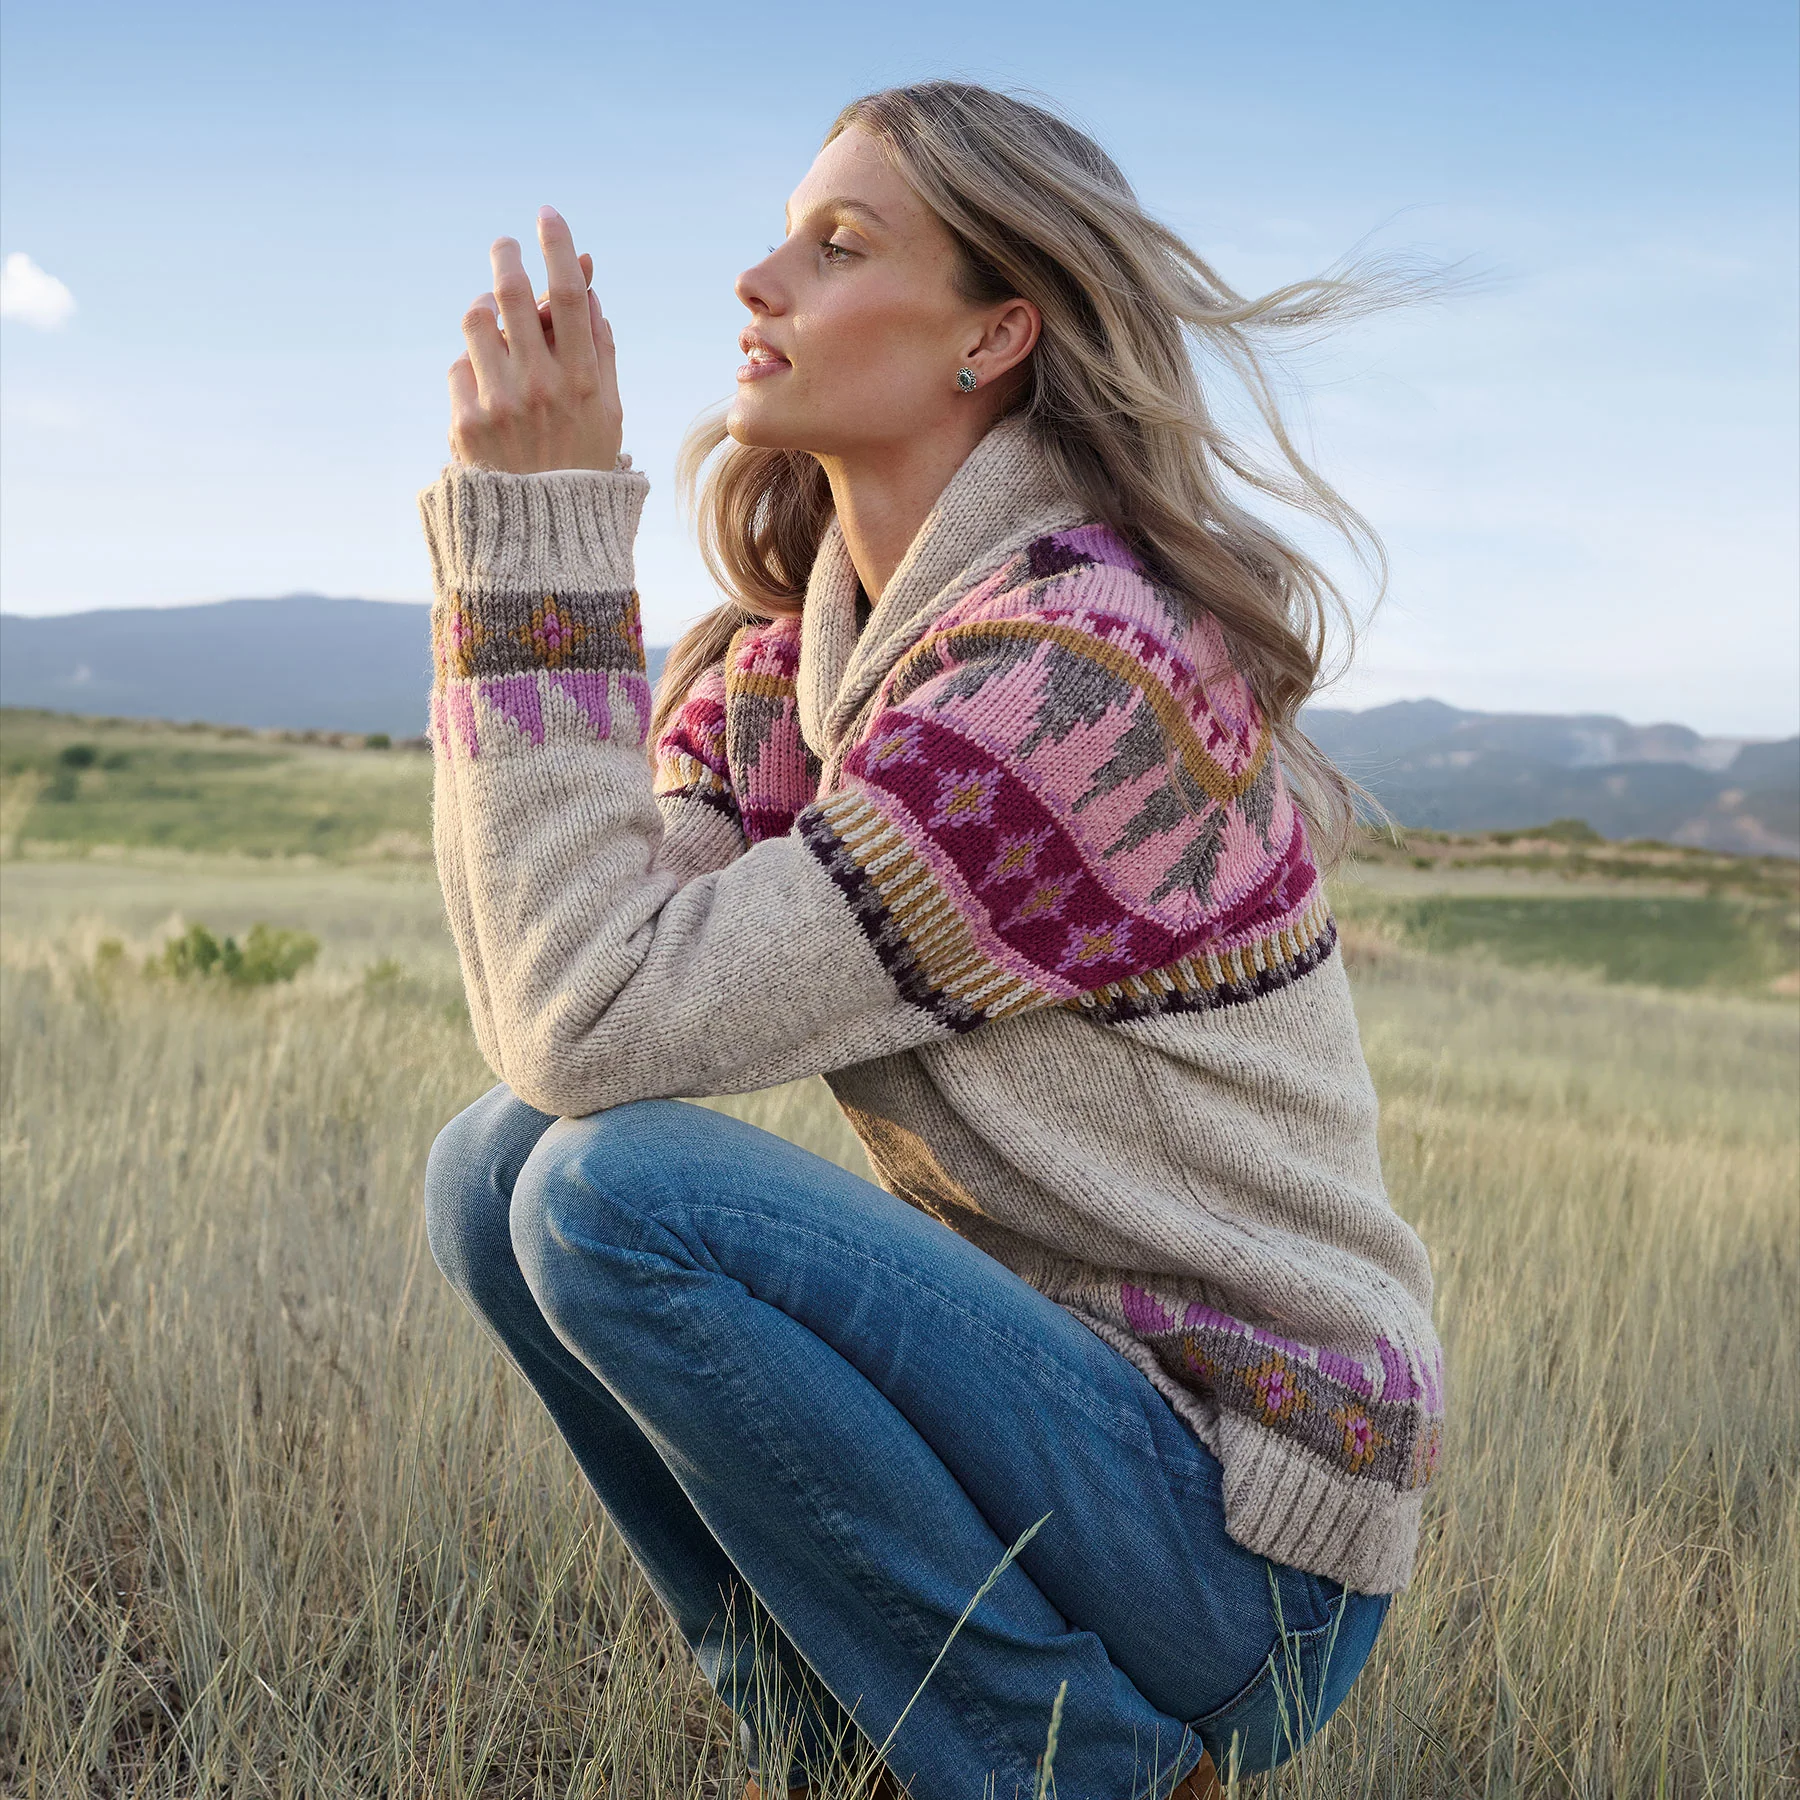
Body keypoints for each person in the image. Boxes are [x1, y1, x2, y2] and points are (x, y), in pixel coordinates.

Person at [420, 81, 1443, 1799]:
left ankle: (1080, 1771)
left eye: (838, 247)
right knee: (492, 1169)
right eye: (781, 237)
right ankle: (834, 1752)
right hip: (1050, 1437)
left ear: (997, 337)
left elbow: (584, 1019)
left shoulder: (1071, 684)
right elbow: (560, 993)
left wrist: (545, 538)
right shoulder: (784, 672)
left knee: (612, 1199)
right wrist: (522, 571)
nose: (759, 282)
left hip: (1240, 1529)